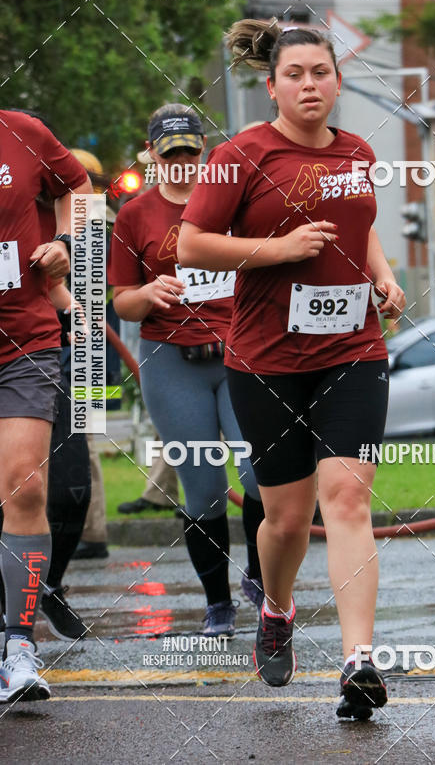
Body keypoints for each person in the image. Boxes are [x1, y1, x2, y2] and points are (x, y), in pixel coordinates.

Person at [177, 20, 406, 719]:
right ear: (272, 84)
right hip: (268, 359)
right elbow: (189, 245)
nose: (310, 85)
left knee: (348, 498)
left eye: (322, 73)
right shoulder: (239, 155)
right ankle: (275, 609)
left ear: (338, 79)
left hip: (353, 350)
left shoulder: (359, 151)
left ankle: (357, 660)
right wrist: (277, 251)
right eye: (296, 75)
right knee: (284, 520)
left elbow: (361, 228)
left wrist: (385, 279)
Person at [108, 103, 265, 638]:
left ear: (206, 153)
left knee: (259, 475)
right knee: (203, 491)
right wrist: (147, 292)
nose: (182, 163)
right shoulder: (136, 215)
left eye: (191, 153)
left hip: (239, 354)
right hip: (172, 363)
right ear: (152, 156)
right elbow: (121, 301)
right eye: (170, 154)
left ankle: (264, 577)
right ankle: (218, 603)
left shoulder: (232, 201)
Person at [0, 109, 91, 702]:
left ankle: (18, 648)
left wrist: (64, 241)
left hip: (24, 341)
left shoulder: (23, 133)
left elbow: (81, 189)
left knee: (25, 487)